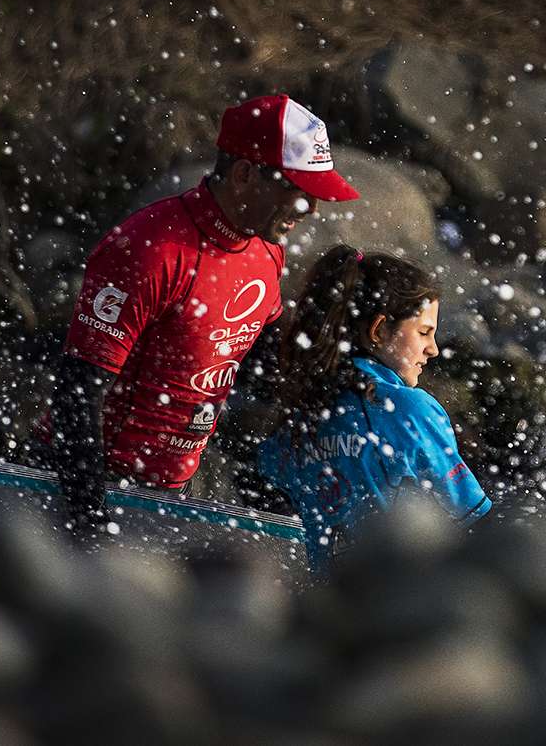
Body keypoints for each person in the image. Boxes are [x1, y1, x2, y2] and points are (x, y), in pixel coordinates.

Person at [37, 95, 359, 535]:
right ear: (245, 174)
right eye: (300, 193)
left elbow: (263, 358)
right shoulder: (151, 250)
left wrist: (354, 381)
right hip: (87, 484)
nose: (313, 210)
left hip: (174, 490)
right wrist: (89, 519)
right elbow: (77, 393)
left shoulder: (266, 250)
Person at [258, 246, 491, 572]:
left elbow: (271, 471)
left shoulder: (299, 419)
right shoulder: (410, 410)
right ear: (379, 330)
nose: (433, 349)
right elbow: (473, 516)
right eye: (424, 332)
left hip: (331, 603)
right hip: (405, 597)